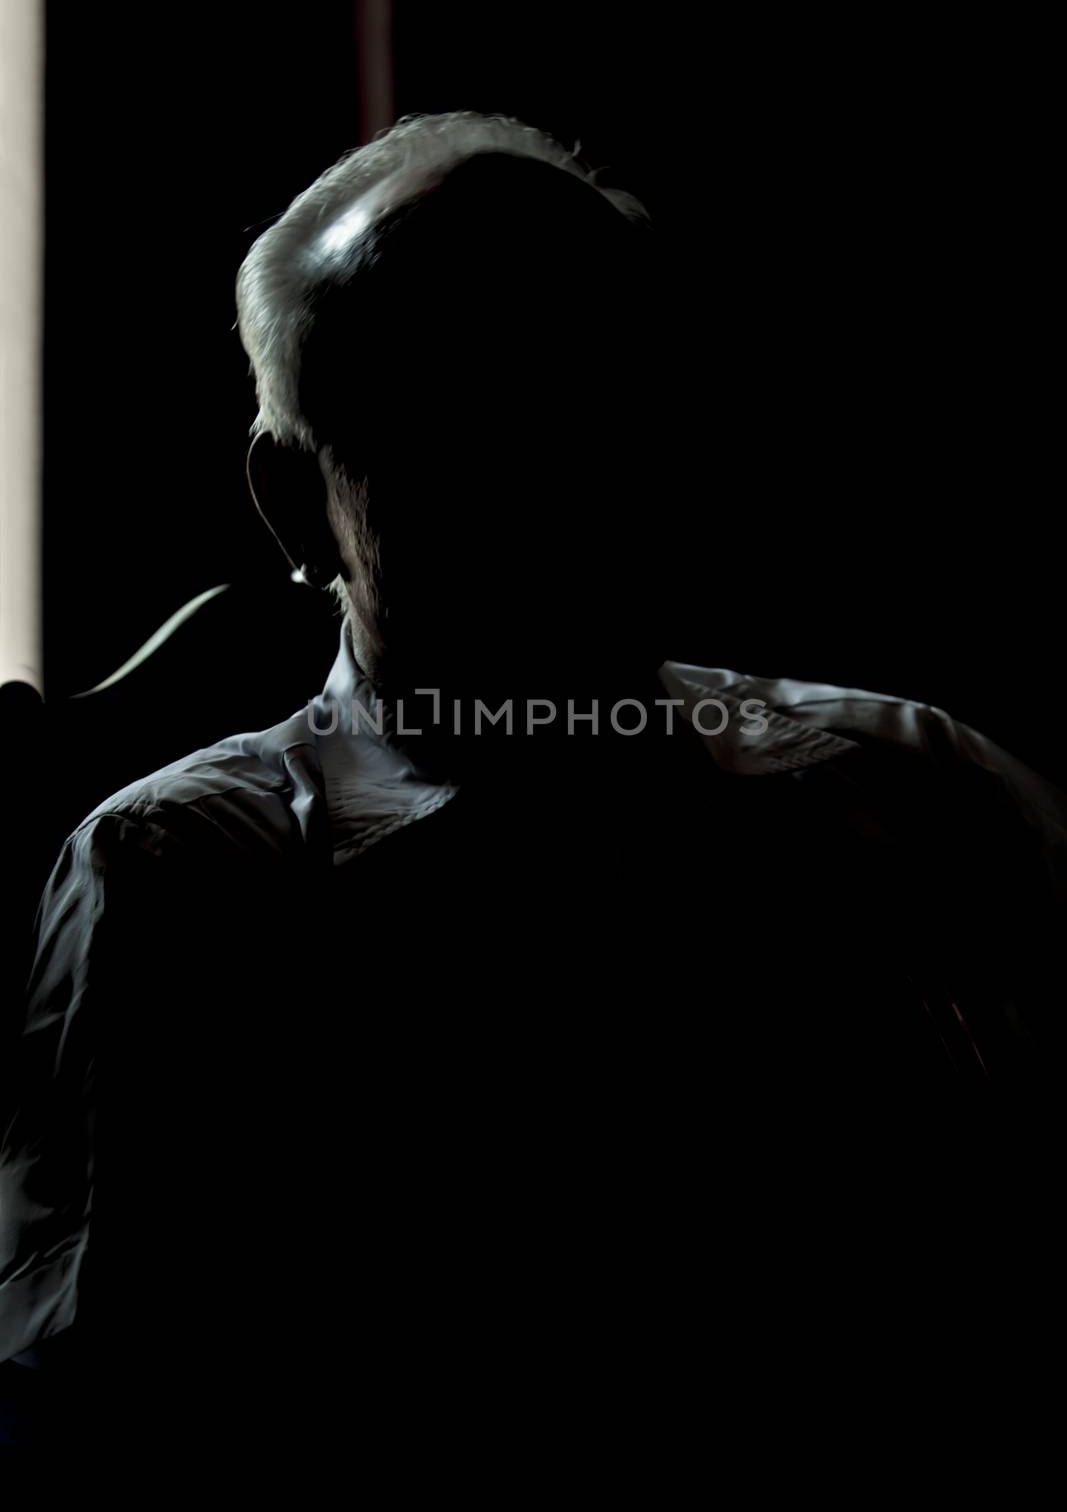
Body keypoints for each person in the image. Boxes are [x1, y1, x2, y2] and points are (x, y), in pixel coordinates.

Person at [2, 111, 1063, 1444]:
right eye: (452, 420)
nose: (560, 479)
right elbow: (103, 1408)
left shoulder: (918, 790)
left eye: (605, 396)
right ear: (292, 503)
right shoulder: (187, 885)